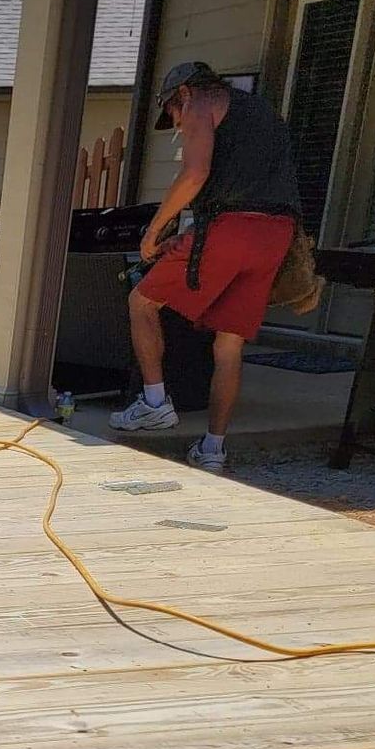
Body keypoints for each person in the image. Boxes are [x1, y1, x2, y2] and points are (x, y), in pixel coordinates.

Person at [109, 61, 302, 472]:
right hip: (277, 234)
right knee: (229, 345)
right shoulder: (261, 112)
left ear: (183, 93)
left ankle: (154, 403)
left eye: (173, 113)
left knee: (142, 301)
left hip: (231, 227)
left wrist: (153, 233)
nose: (178, 124)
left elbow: (196, 173)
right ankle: (213, 448)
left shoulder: (199, 102)